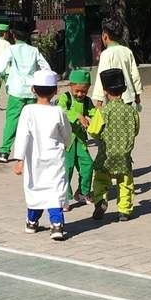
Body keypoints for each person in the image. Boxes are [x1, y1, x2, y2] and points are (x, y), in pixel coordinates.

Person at [12, 69, 72, 241]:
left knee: (35, 191)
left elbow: (22, 135)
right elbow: (67, 133)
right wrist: (66, 143)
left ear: (33, 89)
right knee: (55, 191)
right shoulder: (58, 111)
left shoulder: (28, 110)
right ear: (55, 91)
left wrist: (19, 159)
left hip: (34, 159)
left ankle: (31, 222)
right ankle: (57, 225)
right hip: (55, 159)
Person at [0, 25, 51, 163]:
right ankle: (36, 151)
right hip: (32, 91)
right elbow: (46, 68)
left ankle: (4, 151)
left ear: (14, 36)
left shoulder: (11, 49)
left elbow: (0, 67)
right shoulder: (34, 50)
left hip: (16, 91)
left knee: (12, 120)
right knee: (32, 122)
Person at [88, 68, 140, 222]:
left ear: (105, 91)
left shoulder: (103, 111)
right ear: (123, 90)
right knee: (125, 183)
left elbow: (93, 131)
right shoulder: (131, 111)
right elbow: (136, 130)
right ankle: (124, 211)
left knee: (100, 180)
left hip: (106, 155)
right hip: (124, 155)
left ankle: (100, 201)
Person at [60, 68, 95, 208]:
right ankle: (64, 198)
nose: (80, 94)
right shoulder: (65, 98)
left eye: (84, 91)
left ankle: (82, 192)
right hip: (66, 141)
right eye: (77, 91)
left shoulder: (87, 101)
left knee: (88, 165)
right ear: (71, 86)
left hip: (80, 140)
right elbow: (61, 110)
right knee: (66, 169)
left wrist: (99, 118)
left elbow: (93, 113)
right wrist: (78, 116)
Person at [90, 22, 142, 109]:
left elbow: (101, 77)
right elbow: (135, 75)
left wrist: (99, 102)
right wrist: (137, 96)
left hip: (113, 98)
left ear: (105, 36)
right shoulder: (127, 51)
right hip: (128, 97)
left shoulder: (106, 54)